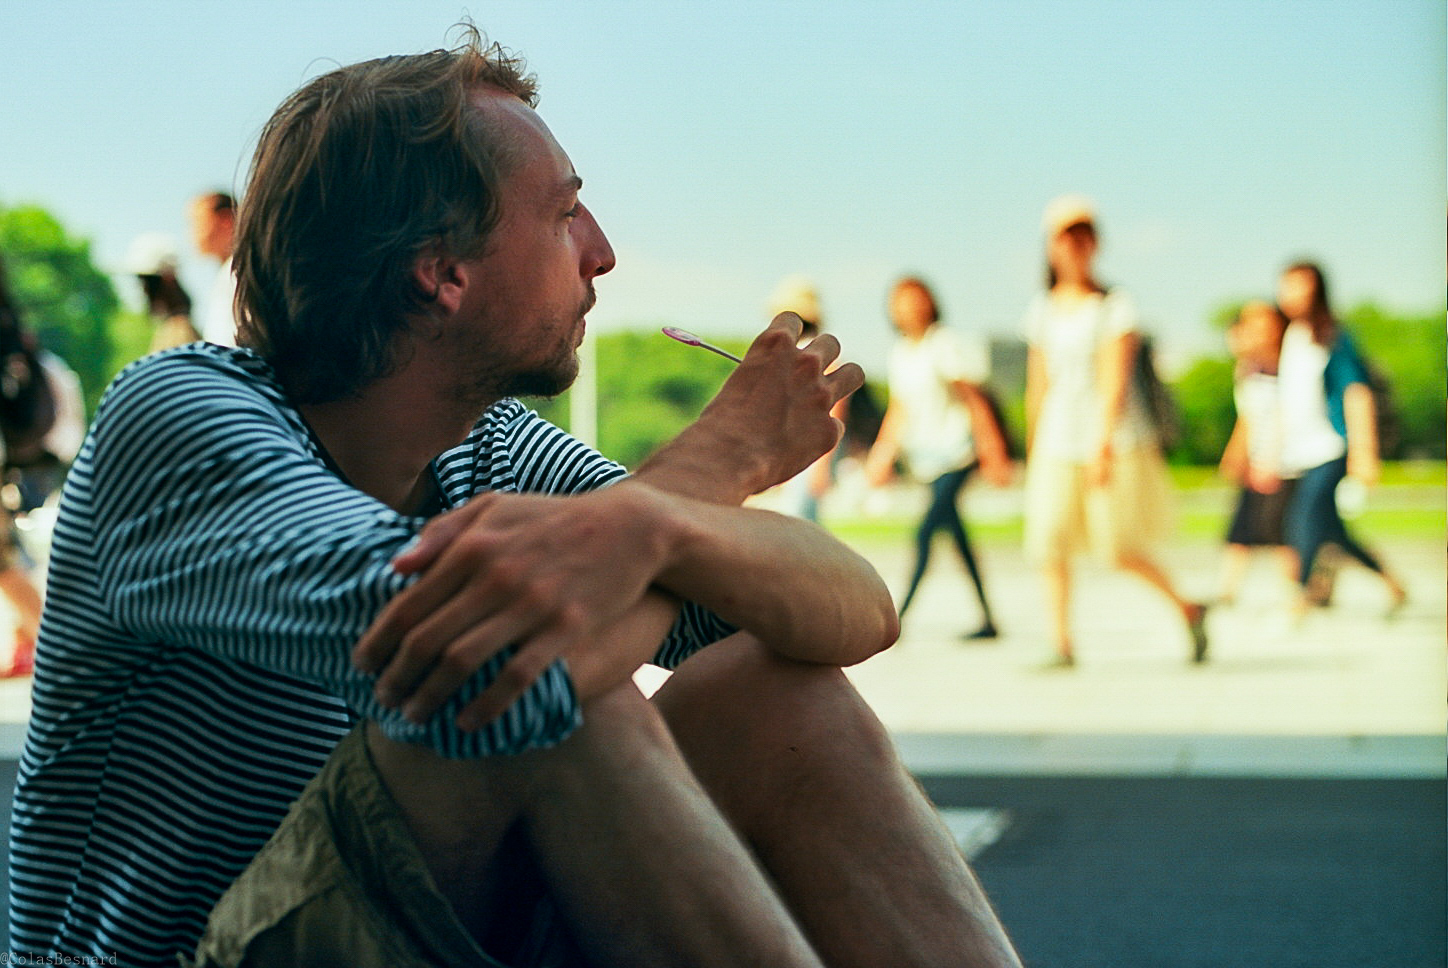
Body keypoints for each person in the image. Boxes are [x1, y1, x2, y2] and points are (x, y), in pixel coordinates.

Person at [10, 30, 1023, 968]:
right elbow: (495, 664)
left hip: (397, 923)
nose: (602, 251)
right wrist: (712, 467)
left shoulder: (483, 441)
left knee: (767, 691)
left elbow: (856, 612)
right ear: (440, 271)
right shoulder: (181, 414)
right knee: (558, 703)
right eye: (564, 212)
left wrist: (656, 522)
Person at [1021, 195, 1208, 668]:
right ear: (1051, 246)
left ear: (1096, 244)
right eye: (1067, 237)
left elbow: (1114, 381)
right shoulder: (1042, 309)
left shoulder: (1114, 305)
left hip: (1110, 440)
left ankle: (1188, 609)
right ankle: (1061, 643)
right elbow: (1038, 384)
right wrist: (1032, 443)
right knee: (1050, 541)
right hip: (1056, 440)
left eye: (1084, 236)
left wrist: (1101, 444)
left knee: (1116, 548)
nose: (1076, 246)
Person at [864, 276, 1009, 638]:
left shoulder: (943, 344)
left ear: (930, 303)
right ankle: (989, 620)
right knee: (958, 539)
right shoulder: (901, 353)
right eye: (901, 301)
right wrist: (881, 456)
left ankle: (897, 619)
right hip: (926, 460)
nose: (910, 307)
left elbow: (974, 399)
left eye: (917, 299)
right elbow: (899, 411)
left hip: (958, 454)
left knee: (925, 533)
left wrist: (993, 451)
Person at [1274, 261, 1406, 618]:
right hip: (1300, 452)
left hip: (1331, 446)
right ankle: (1392, 582)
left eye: (1301, 287)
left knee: (1303, 519)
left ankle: (1300, 597)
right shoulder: (1289, 337)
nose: (1292, 295)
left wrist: (1364, 451)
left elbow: (1356, 392)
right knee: (1333, 530)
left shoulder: (1333, 335)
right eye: (1286, 286)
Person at [1216, 301, 1299, 605]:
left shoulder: (1288, 365)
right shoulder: (1247, 370)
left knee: (1279, 531)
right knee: (1241, 528)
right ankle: (1227, 591)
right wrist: (1235, 454)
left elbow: (1287, 415)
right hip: (1258, 462)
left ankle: (1296, 592)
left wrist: (1271, 460)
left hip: (1284, 462)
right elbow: (1248, 417)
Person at [127, 231, 201, 352]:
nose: (144, 289)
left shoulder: (179, 333)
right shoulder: (171, 329)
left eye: (146, 281)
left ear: (167, 279)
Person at [189, 190, 240, 346]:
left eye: (198, 223)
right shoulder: (228, 272)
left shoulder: (239, 272)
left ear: (225, 220)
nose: (192, 234)